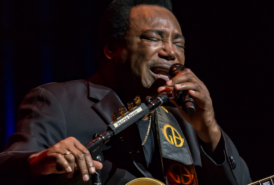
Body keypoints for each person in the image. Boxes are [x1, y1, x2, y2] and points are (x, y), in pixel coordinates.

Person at [0, 0, 252, 184]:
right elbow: (7, 168)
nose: (171, 52)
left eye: (179, 44)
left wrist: (209, 129)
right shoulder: (58, 101)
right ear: (112, 48)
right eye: (155, 38)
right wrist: (37, 162)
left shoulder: (183, 120)